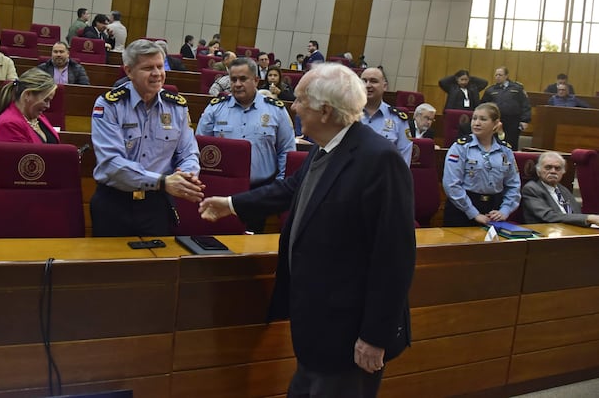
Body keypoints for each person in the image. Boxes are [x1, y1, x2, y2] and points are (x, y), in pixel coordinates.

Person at [198, 63, 415, 397]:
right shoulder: (328, 146)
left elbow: (394, 259)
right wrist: (231, 204)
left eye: (300, 101)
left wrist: (375, 336)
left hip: (351, 331)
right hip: (319, 323)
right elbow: (291, 190)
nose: (293, 107)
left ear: (325, 111)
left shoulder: (379, 160)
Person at [90, 39, 204, 237]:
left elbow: (189, 152)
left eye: (160, 66)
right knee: (108, 266)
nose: (157, 74)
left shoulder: (176, 106)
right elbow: (111, 163)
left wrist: (186, 176)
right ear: (128, 71)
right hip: (114, 203)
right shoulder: (109, 105)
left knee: (156, 266)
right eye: (148, 68)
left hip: (156, 205)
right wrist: (163, 181)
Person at [196, 57, 295, 232]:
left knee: (250, 247)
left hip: (259, 191)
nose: (237, 84)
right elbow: (199, 148)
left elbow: (286, 153)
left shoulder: (276, 110)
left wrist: (277, 188)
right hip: (221, 188)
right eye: (233, 79)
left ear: (256, 80)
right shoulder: (215, 108)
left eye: (243, 79)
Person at [442, 103, 521, 226]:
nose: (476, 123)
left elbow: (513, 185)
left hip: (494, 209)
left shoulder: (505, 150)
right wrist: (473, 213)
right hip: (462, 209)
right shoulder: (460, 147)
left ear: (496, 124)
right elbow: (451, 184)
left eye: (483, 119)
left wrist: (504, 210)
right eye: (474, 118)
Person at [522, 151, 599, 226]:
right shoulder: (531, 189)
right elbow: (548, 216)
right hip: (546, 231)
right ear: (538, 171)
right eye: (548, 167)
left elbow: (576, 213)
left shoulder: (563, 190)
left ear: (563, 172)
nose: (553, 171)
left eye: (557, 168)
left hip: (570, 230)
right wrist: (588, 218)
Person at [0, 68, 59, 143]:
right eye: (46, 100)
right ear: (27, 94)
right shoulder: (9, 125)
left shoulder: (37, 116)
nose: (48, 106)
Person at [360, 67, 412, 165]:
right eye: (364, 81)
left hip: (383, 178)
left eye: (373, 81)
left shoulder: (398, 119)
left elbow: (404, 159)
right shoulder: (347, 114)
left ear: (385, 86)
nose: (368, 85)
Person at [480, 66, 531, 150]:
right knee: (495, 142)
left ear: (506, 76)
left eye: (500, 75)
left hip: (513, 121)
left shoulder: (517, 88)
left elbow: (525, 104)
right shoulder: (490, 90)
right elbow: (483, 105)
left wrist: (525, 120)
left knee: (511, 143)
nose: (497, 77)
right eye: (496, 75)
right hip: (496, 120)